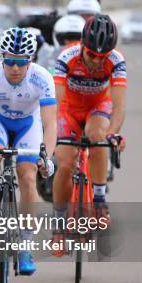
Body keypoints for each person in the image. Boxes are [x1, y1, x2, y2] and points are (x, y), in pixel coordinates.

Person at [0, 27, 57, 274]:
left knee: (28, 177)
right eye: (9, 61)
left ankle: (25, 245)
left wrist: (47, 157)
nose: (14, 68)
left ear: (30, 60)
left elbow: (50, 122)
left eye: (21, 63)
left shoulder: (42, 78)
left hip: (27, 126)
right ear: (2, 57)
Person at [52, 14, 126, 234]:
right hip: (69, 109)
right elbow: (55, 104)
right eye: (92, 54)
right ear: (83, 45)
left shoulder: (116, 61)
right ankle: (58, 218)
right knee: (64, 164)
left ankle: (100, 198)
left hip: (97, 108)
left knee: (98, 136)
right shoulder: (67, 57)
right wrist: (51, 133)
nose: (97, 60)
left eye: (103, 56)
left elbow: (119, 107)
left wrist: (113, 134)